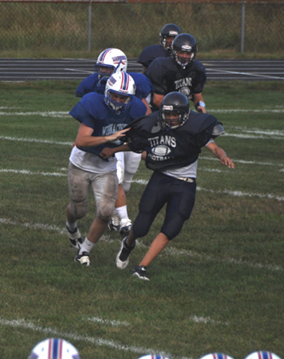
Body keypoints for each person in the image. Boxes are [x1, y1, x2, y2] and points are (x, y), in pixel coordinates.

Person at [111, 92, 235, 280]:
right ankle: (128, 243)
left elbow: (214, 147)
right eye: (167, 114)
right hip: (161, 178)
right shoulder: (155, 125)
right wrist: (112, 149)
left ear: (184, 113)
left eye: (174, 114)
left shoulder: (196, 126)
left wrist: (222, 156)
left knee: (172, 227)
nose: (170, 118)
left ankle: (142, 267)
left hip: (185, 183)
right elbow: (136, 144)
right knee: (142, 226)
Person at [66, 71, 147, 267]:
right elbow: (81, 141)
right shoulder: (93, 102)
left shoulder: (136, 108)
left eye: (123, 97)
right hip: (82, 162)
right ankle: (71, 225)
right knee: (80, 210)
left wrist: (115, 148)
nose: (119, 101)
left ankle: (84, 251)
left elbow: (136, 142)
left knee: (105, 211)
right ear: (107, 92)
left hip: (107, 164)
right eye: (115, 95)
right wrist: (108, 139)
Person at [75, 48, 153, 236]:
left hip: (127, 134)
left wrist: (141, 137)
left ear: (120, 67)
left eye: (107, 69)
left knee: (128, 174)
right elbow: (86, 117)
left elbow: (145, 112)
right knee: (115, 174)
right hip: (107, 134)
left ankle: (116, 213)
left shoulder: (136, 82)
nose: (101, 73)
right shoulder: (93, 84)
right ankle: (123, 219)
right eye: (100, 68)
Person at [145, 33, 208, 113]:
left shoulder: (198, 69)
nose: (184, 56)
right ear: (174, 51)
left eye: (188, 53)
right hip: (156, 110)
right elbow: (157, 100)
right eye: (181, 52)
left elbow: (198, 96)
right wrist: (178, 111)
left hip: (178, 110)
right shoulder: (161, 67)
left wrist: (200, 106)